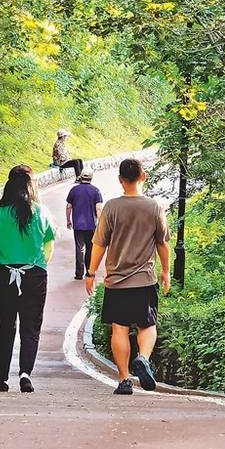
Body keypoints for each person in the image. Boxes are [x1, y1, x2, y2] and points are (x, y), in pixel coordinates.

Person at [85, 158, 171, 395]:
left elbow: (99, 244)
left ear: (120, 179)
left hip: (117, 280)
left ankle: (124, 380)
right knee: (148, 325)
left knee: (119, 329)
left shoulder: (111, 207)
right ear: (143, 176)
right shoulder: (154, 207)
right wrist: (166, 271)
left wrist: (90, 273)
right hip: (145, 279)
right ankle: (143, 358)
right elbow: (162, 243)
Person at [0, 164, 56, 394]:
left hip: (4, 273)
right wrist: (40, 265)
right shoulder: (40, 211)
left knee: (6, 325)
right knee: (31, 327)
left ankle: (2, 379)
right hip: (34, 273)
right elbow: (49, 244)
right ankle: (25, 373)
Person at [66, 169, 103, 280]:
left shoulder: (74, 190)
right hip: (91, 225)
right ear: (91, 178)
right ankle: (89, 271)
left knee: (79, 248)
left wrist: (68, 220)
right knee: (90, 248)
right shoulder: (95, 191)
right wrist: (100, 223)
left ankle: (78, 273)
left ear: (81, 177)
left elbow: (68, 206)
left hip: (78, 225)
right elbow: (99, 208)